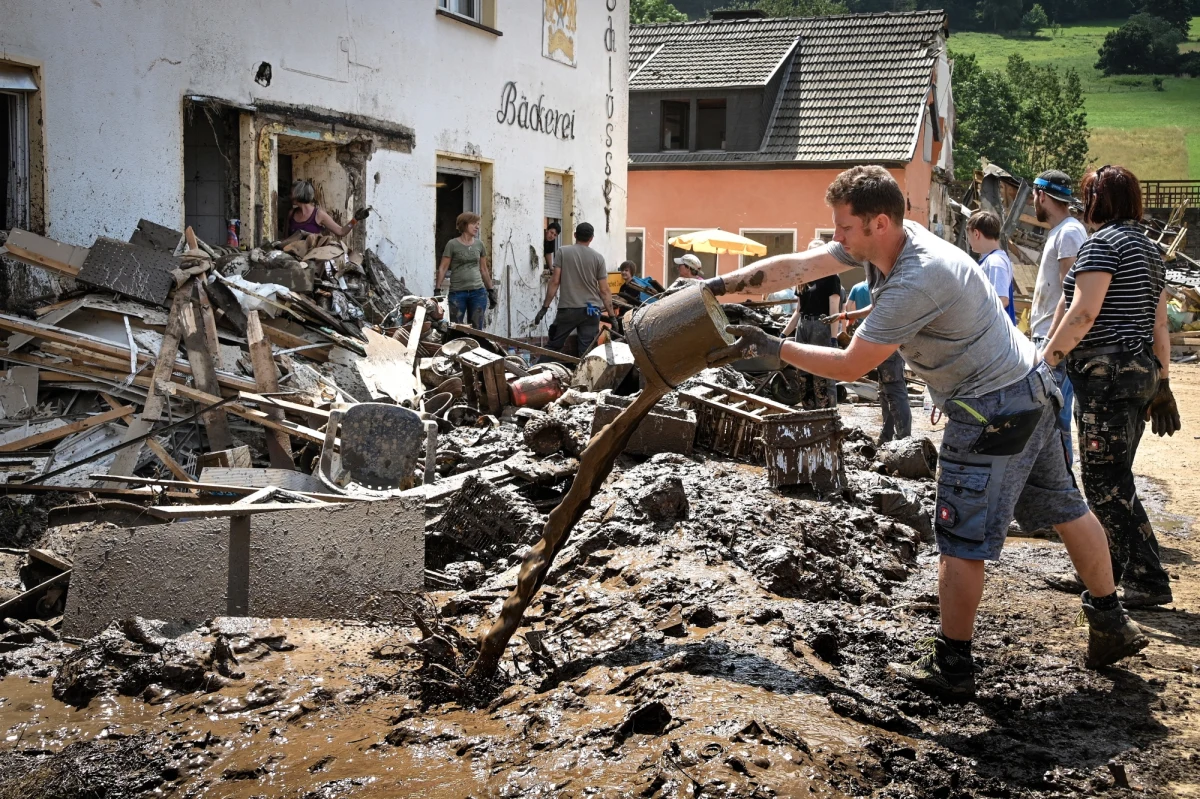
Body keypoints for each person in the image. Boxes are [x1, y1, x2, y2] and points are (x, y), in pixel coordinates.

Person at [701, 165, 1146, 698]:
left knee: (960, 538)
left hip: (992, 411)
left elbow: (849, 366)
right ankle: (1111, 622)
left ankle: (953, 666)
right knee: (1066, 507)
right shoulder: (892, 242)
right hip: (1029, 385)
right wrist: (716, 290)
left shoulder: (917, 275)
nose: (835, 239)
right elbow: (798, 264)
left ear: (879, 222)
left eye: (843, 228)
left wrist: (771, 347)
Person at [1040, 165, 1181, 609]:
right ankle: (1106, 570)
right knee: (1114, 476)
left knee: (1104, 481)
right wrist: (1163, 383)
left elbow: (1082, 314)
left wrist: (1046, 362)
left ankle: (1147, 577)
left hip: (1107, 376)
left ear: (1096, 199)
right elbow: (1160, 325)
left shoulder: (1102, 245)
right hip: (1138, 375)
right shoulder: (1150, 251)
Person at [1030, 170, 1088, 456]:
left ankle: (1063, 492)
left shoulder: (1069, 232)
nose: (1032, 200)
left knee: (1055, 422)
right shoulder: (1062, 232)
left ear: (1042, 195)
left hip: (1054, 342)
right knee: (1047, 422)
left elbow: (1072, 292)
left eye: (1034, 194)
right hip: (1047, 338)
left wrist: (1051, 344)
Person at [533, 222, 616, 355]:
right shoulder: (598, 258)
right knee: (587, 352)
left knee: (553, 347)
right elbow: (604, 290)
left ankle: (539, 372)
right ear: (591, 238)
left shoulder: (563, 252)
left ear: (575, 235)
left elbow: (555, 282)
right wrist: (612, 316)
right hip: (592, 310)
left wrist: (544, 308)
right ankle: (587, 376)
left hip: (568, 309)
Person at [782, 240, 841, 408]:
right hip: (803, 326)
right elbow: (798, 311)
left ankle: (827, 416)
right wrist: (784, 335)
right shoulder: (803, 278)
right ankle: (808, 414)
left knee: (822, 375)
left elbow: (834, 310)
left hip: (822, 325)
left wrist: (833, 339)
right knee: (803, 374)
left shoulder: (832, 276)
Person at [436, 212, 497, 330]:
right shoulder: (452, 244)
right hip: (458, 293)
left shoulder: (479, 245)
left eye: (478, 224)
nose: (477, 227)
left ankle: (474, 348)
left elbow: (484, 269)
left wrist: (491, 290)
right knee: (456, 329)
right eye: (474, 223)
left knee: (476, 330)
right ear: (464, 225)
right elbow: (443, 267)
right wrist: (437, 289)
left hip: (478, 292)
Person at [966, 211, 1016, 325]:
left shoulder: (995, 262)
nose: (969, 241)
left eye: (968, 236)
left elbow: (1002, 300)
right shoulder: (992, 259)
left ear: (976, 234)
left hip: (995, 337)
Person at [287, 179, 353, 238]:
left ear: (299, 194)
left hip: (313, 251)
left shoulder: (319, 214)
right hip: (293, 251)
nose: (289, 196)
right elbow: (286, 238)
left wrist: (354, 220)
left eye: (291, 193)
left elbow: (341, 232)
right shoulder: (292, 213)